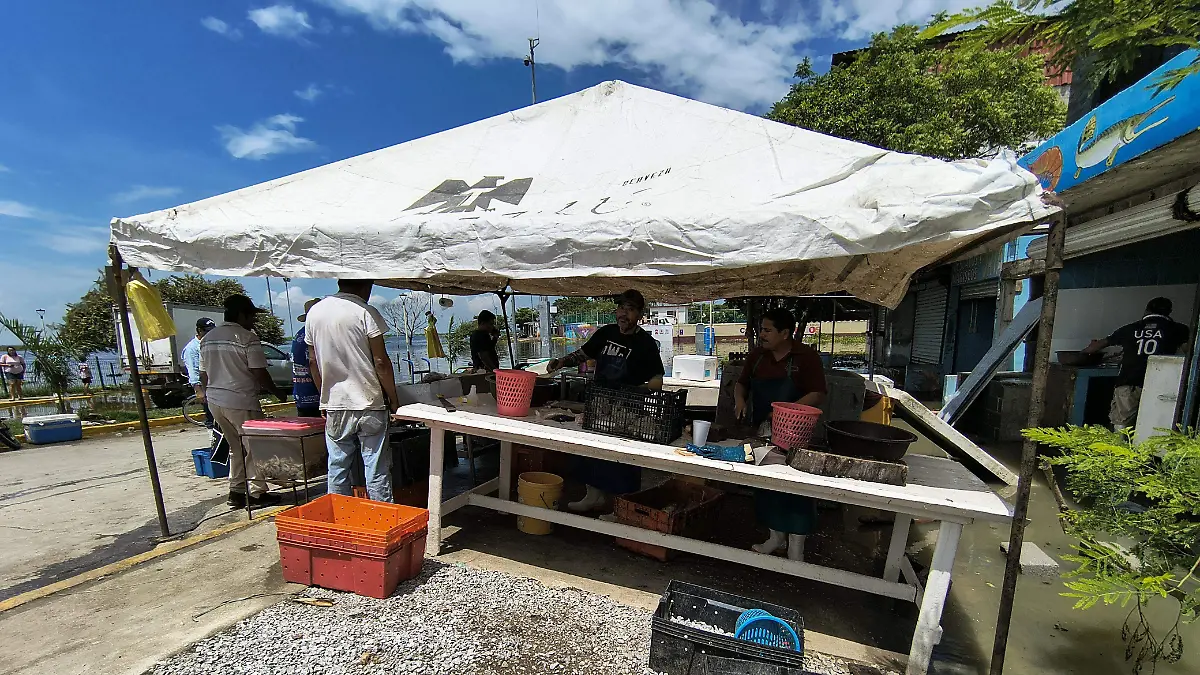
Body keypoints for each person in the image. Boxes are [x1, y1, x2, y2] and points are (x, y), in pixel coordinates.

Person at [547, 290, 665, 517]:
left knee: (622, 459)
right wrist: (562, 361)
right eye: (621, 308)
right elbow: (583, 354)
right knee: (590, 451)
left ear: (639, 313)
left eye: (630, 309)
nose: (624, 314)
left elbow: (657, 380)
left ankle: (621, 509)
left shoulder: (646, 343)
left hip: (628, 409)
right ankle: (592, 496)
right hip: (599, 403)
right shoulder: (606, 333)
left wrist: (636, 391)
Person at [734, 307, 827, 561]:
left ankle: (796, 545)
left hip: (798, 432)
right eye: (761, 329)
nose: (761, 335)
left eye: (767, 330)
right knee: (767, 485)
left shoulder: (806, 357)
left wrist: (788, 410)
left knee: (795, 489)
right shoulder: (757, 357)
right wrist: (740, 400)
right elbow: (742, 383)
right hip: (764, 430)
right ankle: (775, 537)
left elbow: (818, 393)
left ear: (785, 333)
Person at [305, 279, 401, 502]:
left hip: (335, 405)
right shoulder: (365, 312)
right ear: (366, 286)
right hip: (369, 403)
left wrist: (324, 398)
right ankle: (381, 520)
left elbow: (312, 362)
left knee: (337, 467)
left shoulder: (315, 313)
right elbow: (381, 362)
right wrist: (394, 400)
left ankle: (339, 520)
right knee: (376, 469)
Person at [199, 295, 288, 509]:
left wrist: (207, 393)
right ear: (241, 315)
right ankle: (257, 493)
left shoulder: (208, 338)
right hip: (240, 399)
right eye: (251, 316)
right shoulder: (246, 337)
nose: (253, 322)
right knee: (254, 446)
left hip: (216, 401)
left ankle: (237, 491)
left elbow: (203, 374)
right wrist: (277, 392)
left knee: (235, 447)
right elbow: (259, 371)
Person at [1082, 297, 1190, 430]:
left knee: (1122, 422)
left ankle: (1119, 448)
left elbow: (1100, 345)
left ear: (1146, 310)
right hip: (1160, 384)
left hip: (1130, 380)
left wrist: (1082, 353)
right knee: (1154, 424)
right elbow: (1188, 352)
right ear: (1169, 311)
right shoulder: (1179, 329)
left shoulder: (1130, 328)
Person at [181, 317, 217, 429]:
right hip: (204, 385)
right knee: (212, 418)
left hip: (216, 384)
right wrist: (199, 390)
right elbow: (193, 370)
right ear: (200, 330)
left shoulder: (211, 343)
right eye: (207, 331)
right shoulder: (192, 348)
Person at [292, 298, 323, 418]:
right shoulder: (314, 335)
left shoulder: (299, 334)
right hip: (314, 395)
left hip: (301, 394)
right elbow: (313, 363)